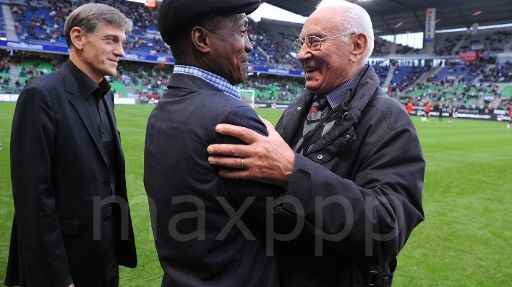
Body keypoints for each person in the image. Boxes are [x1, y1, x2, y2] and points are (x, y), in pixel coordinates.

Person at [207, 0, 425, 286]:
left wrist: (292, 171)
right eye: (301, 42)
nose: (301, 54)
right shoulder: (301, 106)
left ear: (357, 46)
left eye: (314, 41)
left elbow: (386, 228)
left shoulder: (389, 120)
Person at [144, 0, 279, 286]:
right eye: (243, 31)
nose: (250, 45)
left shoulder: (162, 110)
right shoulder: (232, 116)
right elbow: (285, 222)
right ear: (202, 40)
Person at [5, 4, 137, 287]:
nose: (121, 51)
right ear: (78, 38)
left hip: (103, 258)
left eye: (122, 42)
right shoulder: (40, 96)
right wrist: (57, 279)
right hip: (62, 267)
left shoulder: (105, 97)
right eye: (111, 39)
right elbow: (34, 199)